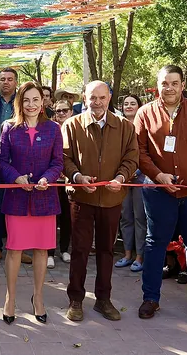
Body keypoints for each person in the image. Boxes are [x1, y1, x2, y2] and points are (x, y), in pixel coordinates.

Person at [133, 65, 187, 326]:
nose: (169, 88)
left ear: (182, 85)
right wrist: (158, 176)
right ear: (157, 85)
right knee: (155, 244)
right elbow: (138, 152)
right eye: (164, 83)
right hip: (158, 192)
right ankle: (150, 298)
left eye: (174, 83)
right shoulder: (144, 114)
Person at [62, 80, 138, 322]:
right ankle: (75, 299)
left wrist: (121, 176)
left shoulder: (124, 127)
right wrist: (77, 176)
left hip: (111, 198)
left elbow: (132, 157)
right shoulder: (72, 125)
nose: (97, 102)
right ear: (84, 99)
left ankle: (103, 299)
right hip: (82, 198)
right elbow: (64, 158)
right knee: (80, 250)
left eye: (102, 98)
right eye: (92, 98)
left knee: (107, 250)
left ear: (109, 98)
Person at [0, 82, 63, 325]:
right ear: (20, 103)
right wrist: (16, 177)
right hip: (17, 198)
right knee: (14, 249)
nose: (32, 105)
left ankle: (38, 298)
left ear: (43, 102)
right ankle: (10, 298)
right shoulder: (9, 128)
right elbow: (2, 161)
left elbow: (58, 163)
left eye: (36, 99)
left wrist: (48, 178)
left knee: (41, 250)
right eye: (26, 100)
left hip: (44, 198)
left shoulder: (54, 129)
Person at [0, 68, 27, 266]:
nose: (6, 82)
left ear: (16, 82)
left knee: (19, 205)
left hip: (18, 162)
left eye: (10, 79)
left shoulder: (24, 102)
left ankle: (18, 246)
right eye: (2, 79)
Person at [116, 94, 147, 273]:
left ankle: (139, 256)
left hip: (141, 179)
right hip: (122, 180)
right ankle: (127, 254)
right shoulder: (119, 126)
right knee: (125, 216)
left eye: (132, 103)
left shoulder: (145, 126)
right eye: (126, 103)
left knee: (139, 217)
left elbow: (147, 154)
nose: (129, 106)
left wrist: (136, 172)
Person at [52, 100, 75, 264]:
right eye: (58, 110)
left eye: (64, 110)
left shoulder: (76, 128)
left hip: (70, 180)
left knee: (68, 216)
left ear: (71, 111)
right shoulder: (51, 129)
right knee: (52, 218)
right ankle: (49, 253)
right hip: (53, 180)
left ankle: (65, 249)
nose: (61, 113)